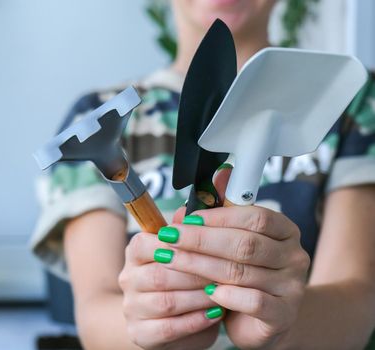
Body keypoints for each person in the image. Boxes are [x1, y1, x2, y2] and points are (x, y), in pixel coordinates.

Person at [31, 1, 375, 349]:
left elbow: (358, 301)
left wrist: (283, 324)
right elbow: (94, 317)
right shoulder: (96, 114)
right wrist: (152, 328)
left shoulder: (349, 103)